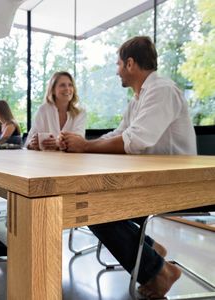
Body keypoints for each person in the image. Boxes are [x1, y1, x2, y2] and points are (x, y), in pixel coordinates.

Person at [62, 36, 197, 298]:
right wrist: (83, 143)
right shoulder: (139, 98)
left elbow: (134, 141)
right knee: (92, 200)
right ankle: (152, 251)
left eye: (118, 64)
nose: (116, 71)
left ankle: (159, 273)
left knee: (92, 207)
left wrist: (85, 147)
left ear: (131, 64)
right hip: (154, 178)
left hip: (179, 183)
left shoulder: (162, 91)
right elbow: (121, 132)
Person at [25, 71, 86, 151]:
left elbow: (79, 143)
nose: (67, 89)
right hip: (45, 160)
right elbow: (28, 142)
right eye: (62, 85)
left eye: (70, 85)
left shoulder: (80, 112)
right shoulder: (43, 110)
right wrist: (33, 144)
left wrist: (58, 144)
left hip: (71, 160)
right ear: (53, 90)